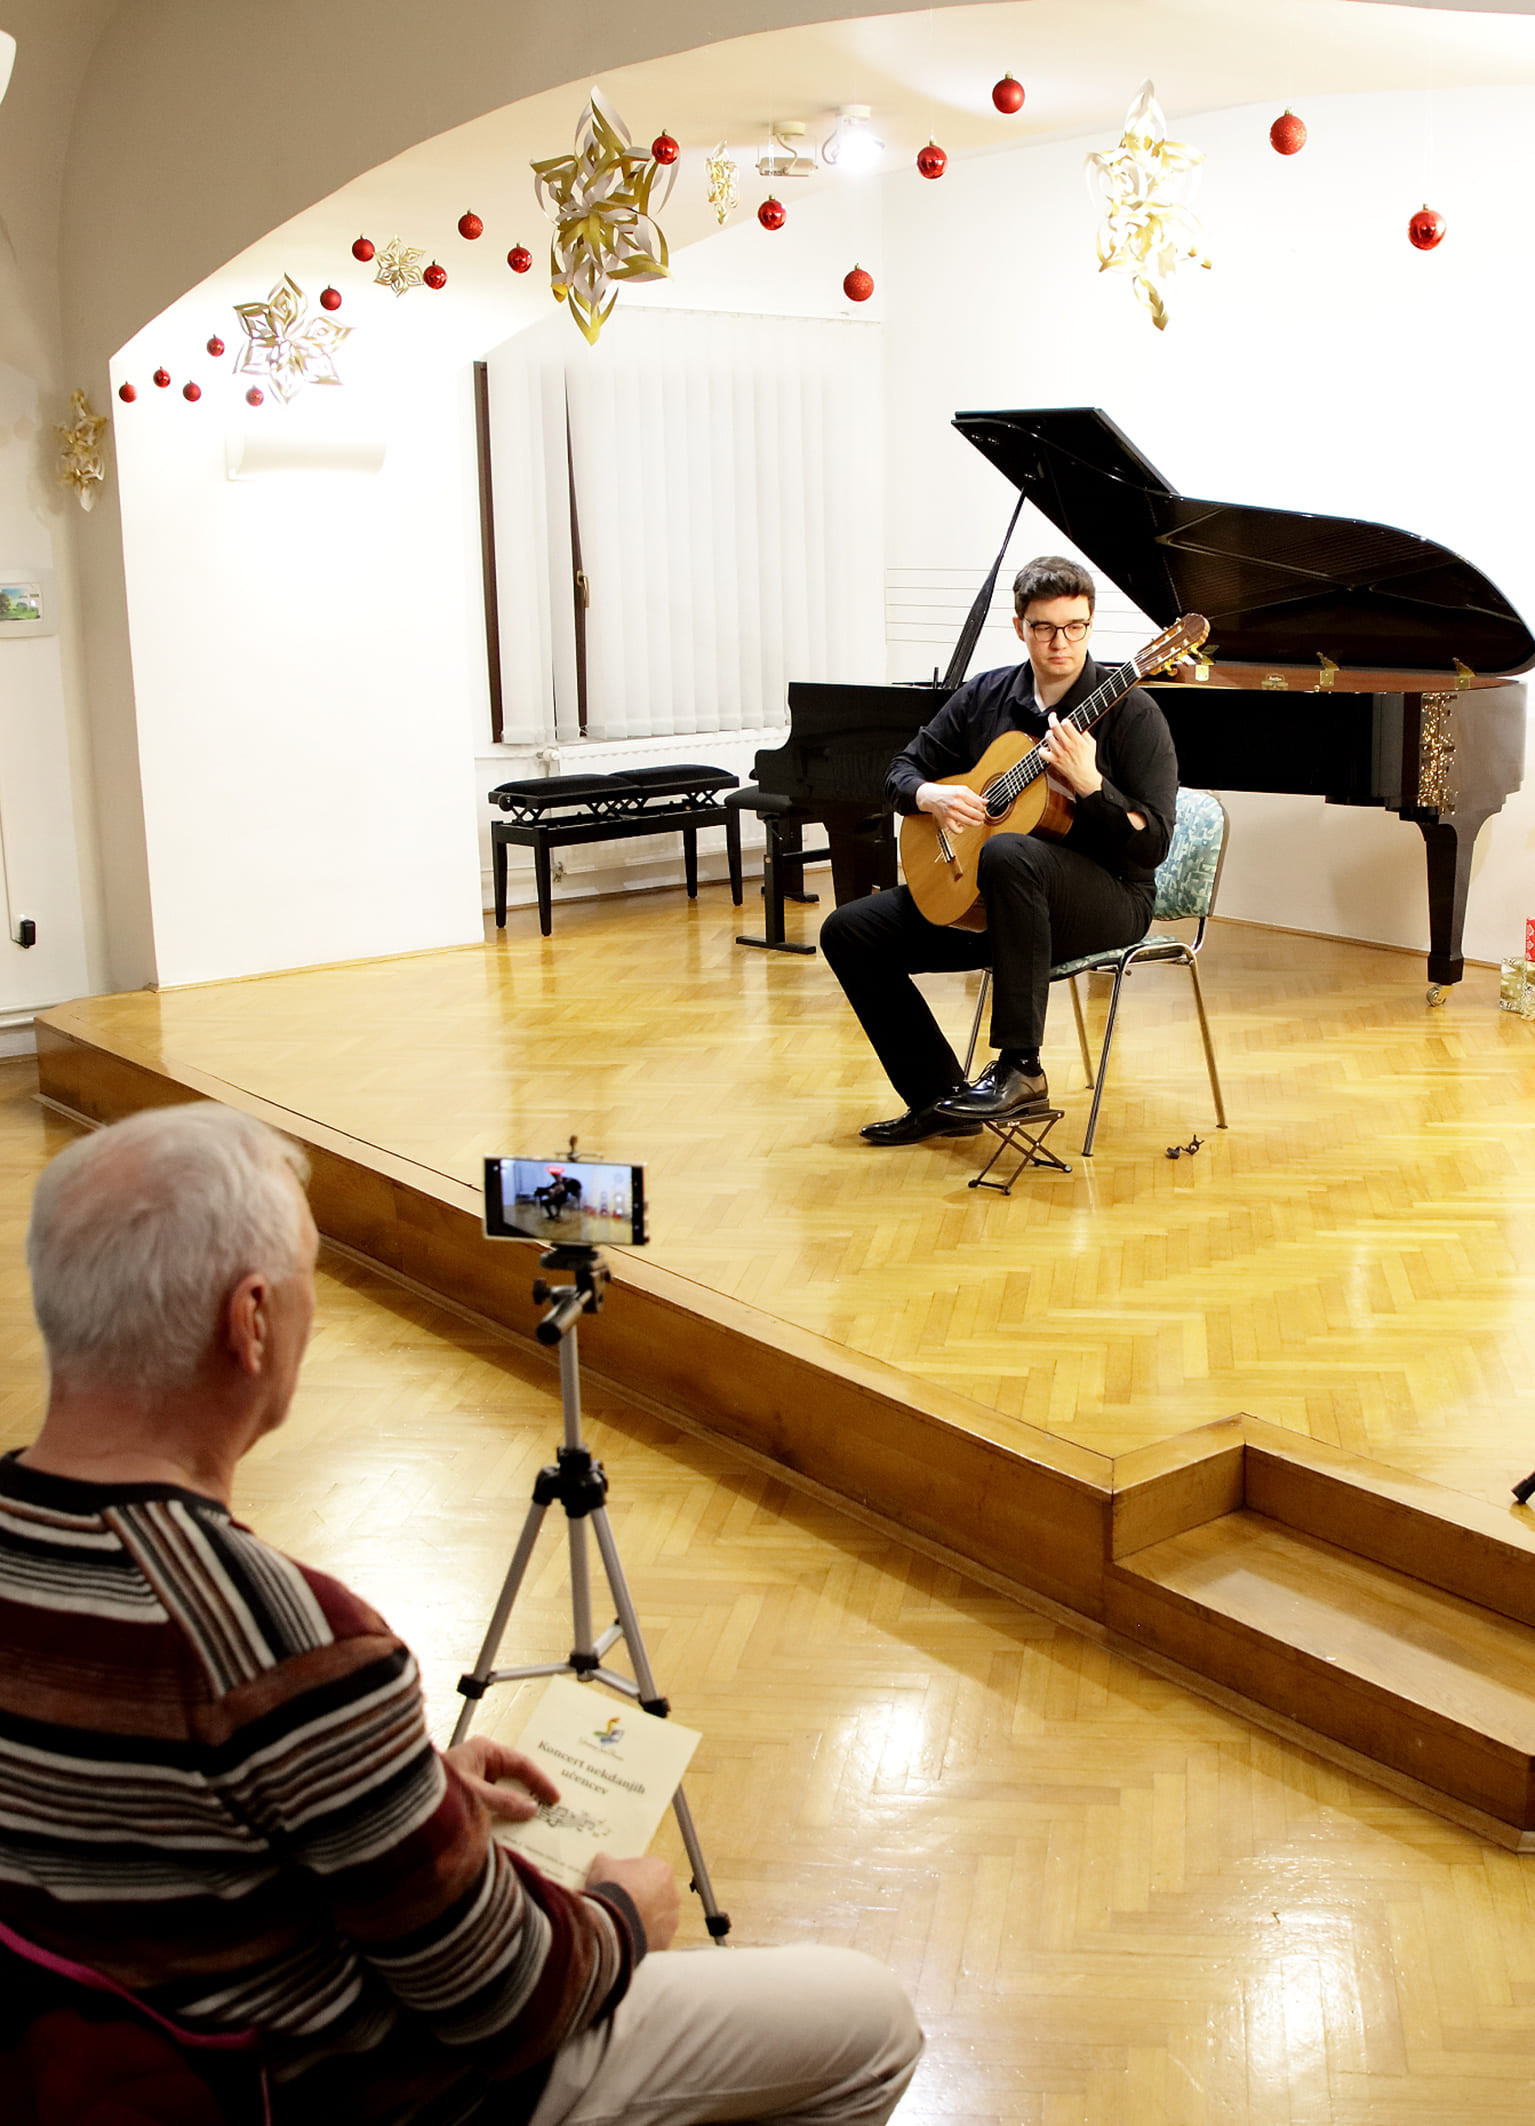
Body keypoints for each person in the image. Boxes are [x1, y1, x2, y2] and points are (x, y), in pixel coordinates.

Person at [0, 1103, 922, 2124]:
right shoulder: (287, 1643)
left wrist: (416, 1792)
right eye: (310, 1274)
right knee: (867, 2021)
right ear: (251, 1318)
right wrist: (624, 1910)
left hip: (96, 2061)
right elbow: (508, 2002)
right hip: (334, 2087)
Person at [822, 555, 1179, 1145]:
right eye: (1044, 628)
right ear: (1020, 627)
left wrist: (1091, 787)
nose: (1061, 642)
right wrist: (933, 796)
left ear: (1091, 624)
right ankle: (939, 1098)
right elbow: (899, 772)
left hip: (1107, 899)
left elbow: (1154, 847)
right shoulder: (986, 695)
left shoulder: (1132, 713)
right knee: (848, 932)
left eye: (1075, 627)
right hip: (999, 904)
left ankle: (1022, 1068)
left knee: (1010, 851)